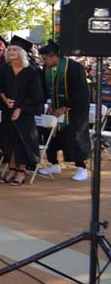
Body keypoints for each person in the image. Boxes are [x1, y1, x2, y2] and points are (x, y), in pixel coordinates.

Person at [38, 39, 91, 181]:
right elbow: (45, 88)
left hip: (75, 111)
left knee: (74, 138)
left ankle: (81, 168)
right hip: (55, 110)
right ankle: (54, 164)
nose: (44, 62)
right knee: (53, 137)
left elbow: (81, 92)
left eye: (45, 59)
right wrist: (48, 103)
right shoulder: (46, 69)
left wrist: (64, 107)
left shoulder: (73, 67)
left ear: (55, 56)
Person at [0, 36, 43, 186]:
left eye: (15, 49)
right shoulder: (4, 69)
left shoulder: (32, 71)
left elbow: (36, 95)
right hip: (7, 109)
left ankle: (21, 171)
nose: (11, 51)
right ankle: (11, 168)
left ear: (22, 52)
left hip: (25, 112)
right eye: (9, 49)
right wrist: (5, 99)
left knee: (22, 140)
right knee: (9, 140)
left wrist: (20, 108)